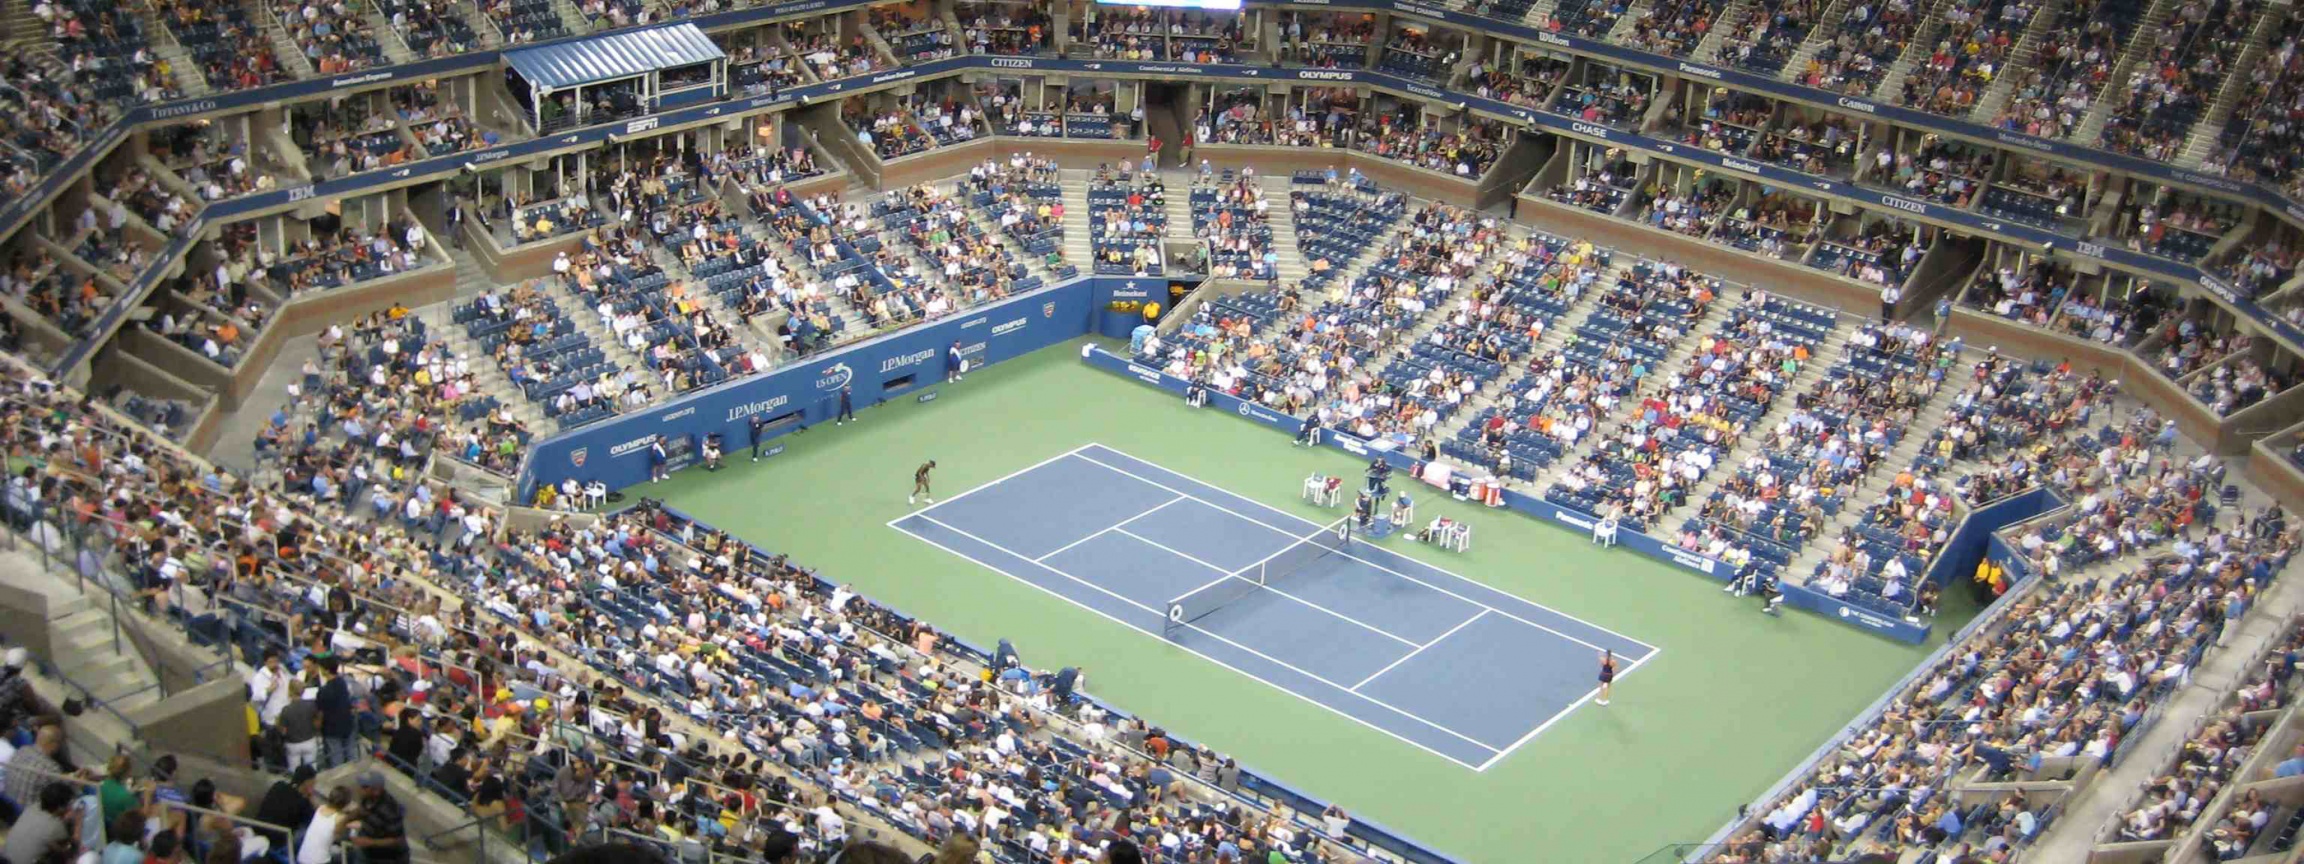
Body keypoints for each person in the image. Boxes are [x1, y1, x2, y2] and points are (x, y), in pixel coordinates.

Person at [5, 781, 76, 864]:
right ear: (60, 807)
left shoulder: (32, 808)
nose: (71, 806)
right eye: (70, 804)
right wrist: (78, 822)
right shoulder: (56, 827)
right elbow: (71, 852)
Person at [253, 766, 317, 852]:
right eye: (313, 784)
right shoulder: (303, 803)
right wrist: (310, 797)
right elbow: (314, 820)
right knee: (307, 830)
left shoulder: (278, 785)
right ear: (307, 783)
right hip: (277, 842)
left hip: (258, 829)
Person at [351, 771, 407, 863]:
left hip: (387, 858)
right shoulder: (365, 799)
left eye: (364, 787)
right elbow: (362, 812)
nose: (360, 789)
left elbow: (397, 840)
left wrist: (370, 842)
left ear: (376, 790)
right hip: (366, 853)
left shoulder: (390, 810)